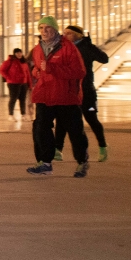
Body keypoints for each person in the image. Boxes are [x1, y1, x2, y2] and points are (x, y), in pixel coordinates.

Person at [26, 16, 90, 178]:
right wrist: (36, 72)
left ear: (55, 30)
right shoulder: (37, 49)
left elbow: (79, 72)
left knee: (75, 131)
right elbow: (36, 69)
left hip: (65, 96)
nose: (44, 31)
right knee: (41, 128)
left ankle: (82, 161)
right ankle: (45, 163)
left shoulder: (68, 48)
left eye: (47, 28)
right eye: (41, 28)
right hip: (44, 95)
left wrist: (52, 69)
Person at [56, 25, 109, 162]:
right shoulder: (63, 48)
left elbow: (104, 59)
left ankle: (102, 145)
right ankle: (58, 149)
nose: (65, 35)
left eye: (69, 33)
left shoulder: (87, 47)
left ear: (77, 35)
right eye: (64, 33)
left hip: (86, 91)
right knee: (63, 119)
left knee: (91, 118)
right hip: (69, 90)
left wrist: (91, 46)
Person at [0, 48, 31, 121]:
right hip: (13, 84)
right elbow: (1, 70)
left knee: (23, 100)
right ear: (14, 54)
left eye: (20, 53)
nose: (19, 54)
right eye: (17, 53)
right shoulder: (9, 61)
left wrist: (29, 84)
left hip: (24, 83)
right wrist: (9, 78)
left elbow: (28, 74)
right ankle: (11, 115)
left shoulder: (24, 62)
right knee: (13, 99)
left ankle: (23, 115)